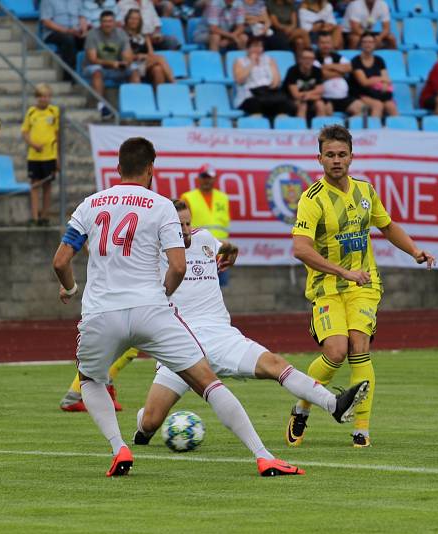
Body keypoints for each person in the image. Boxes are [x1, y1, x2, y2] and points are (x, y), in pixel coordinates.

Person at [52, 136, 303, 477]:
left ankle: (119, 448)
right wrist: (163, 295)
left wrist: (70, 287)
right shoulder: (161, 206)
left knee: (90, 381)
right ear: (151, 169)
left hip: (101, 313)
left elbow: (61, 260)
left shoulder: (90, 205)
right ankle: (263, 456)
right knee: (208, 382)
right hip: (151, 310)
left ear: (118, 168)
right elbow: (179, 266)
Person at [133, 199, 370, 444]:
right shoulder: (152, 252)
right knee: (151, 421)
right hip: (178, 341)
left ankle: (334, 404)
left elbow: (223, 246)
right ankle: (142, 425)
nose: (184, 230)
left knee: (274, 364)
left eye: (188, 223)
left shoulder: (203, 239)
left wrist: (231, 251)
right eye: (178, 225)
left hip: (221, 336)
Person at [286, 125, 436, 448]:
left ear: (352, 157)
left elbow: (388, 226)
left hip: (365, 285)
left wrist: (414, 250)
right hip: (327, 287)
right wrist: (343, 271)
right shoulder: (312, 200)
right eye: (330, 155)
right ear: (319, 159)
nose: (336, 161)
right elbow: (301, 249)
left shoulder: (366, 192)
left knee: (359, 345)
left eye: (342, 155)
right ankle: (302, 407)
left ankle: (362, 429)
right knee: (335, 351)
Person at [181, 164, 232, 286]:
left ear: (214, 179)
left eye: (209, 177)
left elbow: (225, 224)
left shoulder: (223, 198)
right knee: (199, 284)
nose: (206, 180)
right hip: (198, 249)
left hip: (220, 249)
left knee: (220, 285)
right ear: (198, 178)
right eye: (204, 176)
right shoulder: (187, 197)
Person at [83, 10, 139, 119]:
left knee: (134, 70)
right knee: (96, 70)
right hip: (95, 67)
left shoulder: (121, 33)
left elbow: (127, 55)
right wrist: (111, 63)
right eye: (105, 21)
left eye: (110, 21)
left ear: (114, 22)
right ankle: (101, 105)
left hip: (116, 68)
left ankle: (133, 105)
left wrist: (126, 61)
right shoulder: (92, 34)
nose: (107, 24)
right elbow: (92, 59)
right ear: (100, 23)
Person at [21, 84, 60, 227]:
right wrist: (33, 144)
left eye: (48, 96)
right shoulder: (31, 112)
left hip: (49, 155)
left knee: (47, 186)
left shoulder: (54, 112)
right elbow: (24, 132)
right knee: (34, 185)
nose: (45, 99)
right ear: (37, 97)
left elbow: (57, 135)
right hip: (34, 156)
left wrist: (57, 158)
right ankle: (35, 216)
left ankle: (45, 216)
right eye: (42, 96)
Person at [232, 35, 297, 119]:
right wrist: (251, 63)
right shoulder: (239, 61)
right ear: (248, 49)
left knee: (283, 106)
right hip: (249, 96)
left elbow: (276, 82)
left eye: (260, 46)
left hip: (267, 95)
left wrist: (271, 85)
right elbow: (239, 80)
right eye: (255, 46)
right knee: (255, 106)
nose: (258, 49)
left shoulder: (269, 60)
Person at [315, 32, 365, 117]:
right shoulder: (314, 58)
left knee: (362, 108)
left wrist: (328, 66)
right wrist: (341, 73)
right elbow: (321, 74)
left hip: (344, 98)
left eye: (328, 43)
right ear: (318, 44)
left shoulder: (338, 57)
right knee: (325, 113)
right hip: (326, 98)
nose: (326, 45)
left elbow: (349, 68)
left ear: (331, 44)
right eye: (323, 43)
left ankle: (348, 129)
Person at [123, 8, 175, 87]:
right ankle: (174, 84)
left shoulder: (144, 35)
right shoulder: (122, 35)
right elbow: (127, 56)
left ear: (140, 21)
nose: (134, 21)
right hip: (132, 64)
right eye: (132, 18)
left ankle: (158, 95)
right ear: (127, 19)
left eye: (137, 19)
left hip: (145, 62)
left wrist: (144, 56)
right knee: (160, 58)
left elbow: (151, 53)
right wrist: (139, 56)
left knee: (158, 69)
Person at [350, 32, 398, 118]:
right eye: (365, 42)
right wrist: (380, 79)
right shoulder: (356, 61)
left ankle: (399, 130)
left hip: (378, 93)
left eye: (370, 42)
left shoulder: (379, 60)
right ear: (361, 44)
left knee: (391, 106)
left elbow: (386, 79)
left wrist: (384, 84)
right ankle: (373, 130)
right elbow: (364, 82)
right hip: (361, 93)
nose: (368, 44)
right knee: (377, 105)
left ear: (375, 44)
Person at [40, 0, 86, 78]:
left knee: (89, 39)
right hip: (54, 33)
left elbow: (82, 17)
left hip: (75, 31)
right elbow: (46, 21)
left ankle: (87, 74)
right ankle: (69, 77)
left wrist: (84, 31)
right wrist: (67, 31)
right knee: (68, 40)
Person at [117, 0, 181, 51]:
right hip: (135, 39)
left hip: (152, 38)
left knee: (172, 41)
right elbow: (121, 25)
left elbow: (157, 23)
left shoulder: (148, 2)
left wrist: (156, 34)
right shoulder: (123, 3)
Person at [284, 47, 327, 120]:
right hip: (292, 100)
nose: (308, 61)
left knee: (320, 104)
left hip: (309, 98)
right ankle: (300, 130)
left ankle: (322, 130)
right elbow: (295, 95)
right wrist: (312, 94)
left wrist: (307, 95)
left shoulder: (317, 71)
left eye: (311, 58)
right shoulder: (292, 71)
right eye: (305, 58)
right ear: (300, 59)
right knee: (303, 105)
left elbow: (320, 91)